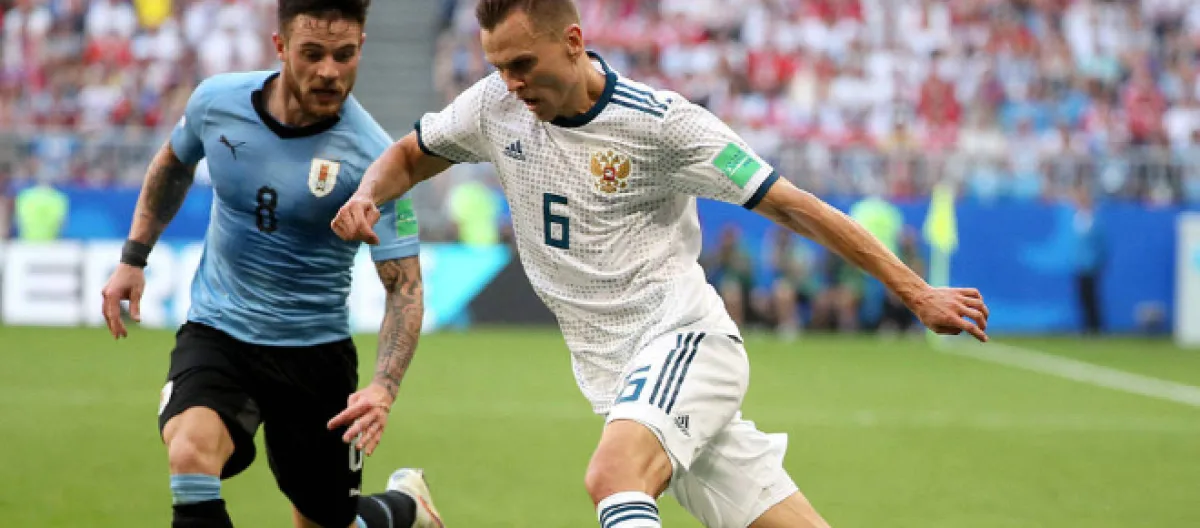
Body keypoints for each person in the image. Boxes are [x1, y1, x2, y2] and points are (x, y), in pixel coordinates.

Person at [332, 1, 990, 526]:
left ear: (573, 41)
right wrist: (368, 195)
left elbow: (794, 206)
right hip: (617, 377)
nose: (511, 82)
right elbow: (411, 154)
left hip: (682, 340)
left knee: (613, 478)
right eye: (498, 65)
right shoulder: (493, 106)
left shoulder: (662, 126)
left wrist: (916, 292)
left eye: (523, 63)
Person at [99, 1, 444, 527]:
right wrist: (133, 257)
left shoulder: (376, 161)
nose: (329, 71)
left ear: (361, 49)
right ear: (280, 47)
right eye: (312, 53)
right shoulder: (217, 102)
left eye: (343, 55)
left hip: (313, 354)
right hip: (219, 331)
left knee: (326, 522)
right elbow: (174, 162)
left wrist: (383, 388)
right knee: (190, 452)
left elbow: (405, 288)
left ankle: (407, 507)